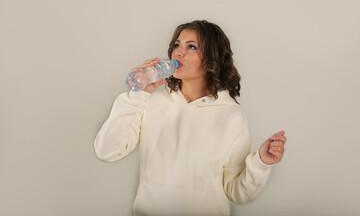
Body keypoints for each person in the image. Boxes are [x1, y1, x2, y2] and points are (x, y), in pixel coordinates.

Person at [94, 20, 287, 216]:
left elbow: (237, 192)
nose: (178, 53)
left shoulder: (231, 117)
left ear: (213, 59)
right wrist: (137, 94)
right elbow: (107, 151)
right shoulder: (151, 101)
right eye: (176, 45)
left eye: (191, 47)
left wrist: (261, 163)